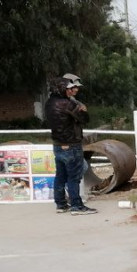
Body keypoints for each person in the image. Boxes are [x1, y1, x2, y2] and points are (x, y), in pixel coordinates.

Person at [44, 74, 97, 215]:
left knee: (60, 176)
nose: (72, 91)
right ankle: (77, 206)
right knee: (74, 177)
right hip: (71, 144)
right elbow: (84, 119)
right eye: (69, 88)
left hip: (57, 144)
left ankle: (61, 204)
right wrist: (83, 109)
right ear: (62, 89)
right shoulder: (68, 104)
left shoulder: (49, 102)